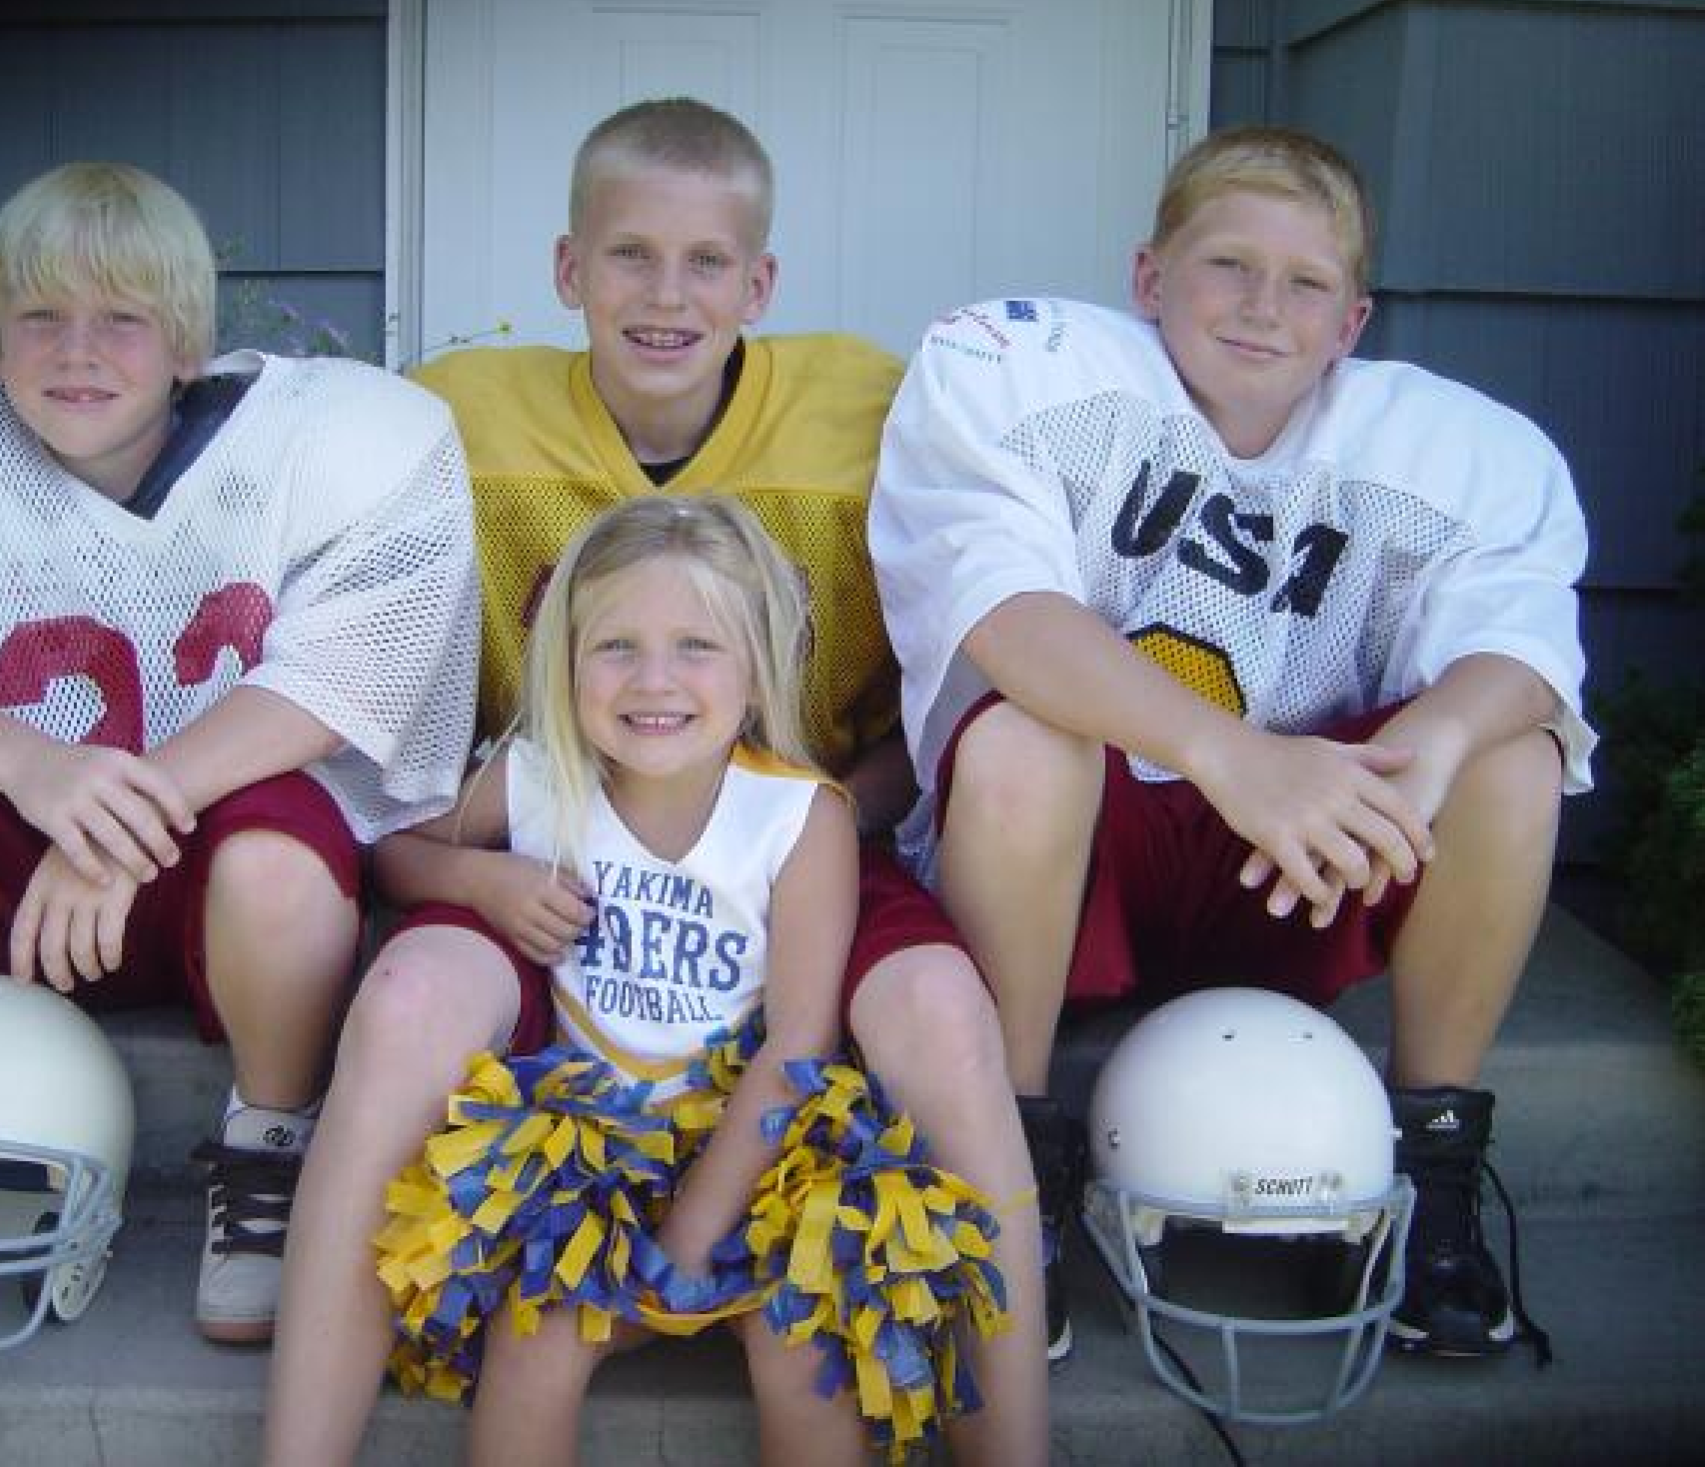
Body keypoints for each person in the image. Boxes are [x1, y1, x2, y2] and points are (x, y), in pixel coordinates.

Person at [266, 99, 1046, 1465]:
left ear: (761, 284)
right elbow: (412, 790)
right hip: (553, 827)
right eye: (629, 256)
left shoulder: (868, 413)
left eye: (704, 263)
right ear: (569, 272)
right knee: (399, 1004)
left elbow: (951, 649)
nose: (665, 296)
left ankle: (1014, 1401)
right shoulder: (455, 419)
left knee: (938, 1003)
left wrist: (809, 818)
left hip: (801, 827)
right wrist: (482, 870)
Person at [0, 162, 480, 1345]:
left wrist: (133, 805)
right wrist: (37, 770)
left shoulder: (335, 440)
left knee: (282, 842)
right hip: (7, 863)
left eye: (121, 319)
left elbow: (342, 681)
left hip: (215, 878)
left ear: (184, 341)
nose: (79, 351)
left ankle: (269, 1144)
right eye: (41, 318)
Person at [870, 125, 1594, 1362]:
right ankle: (1018, 1156)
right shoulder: (1020, 370)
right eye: (1225, 266)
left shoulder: (1451, 448)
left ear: (1350, 319)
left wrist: (1428, 745)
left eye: (1304, 283)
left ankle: (1428, 1168)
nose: (1263, 308)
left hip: (1303, 857)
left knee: (1509, 753)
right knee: (1017, 741)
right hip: (1092, 848)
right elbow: (999, 613)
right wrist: (1226, 752)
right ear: (1148, 279)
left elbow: (1520, 645)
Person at [385, 494, 876, 1462]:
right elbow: (393, 856)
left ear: (757, 662)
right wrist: (479, 876)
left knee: (800, 1347)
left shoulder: (796, 815)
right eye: (614, 646)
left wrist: (692, 1233)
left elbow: (798, 1040)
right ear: (564, 658)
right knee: (534, 1340)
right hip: (587, 1156)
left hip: (759, 1151)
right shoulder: (539, 776)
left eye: (697, 645)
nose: (654, 680)